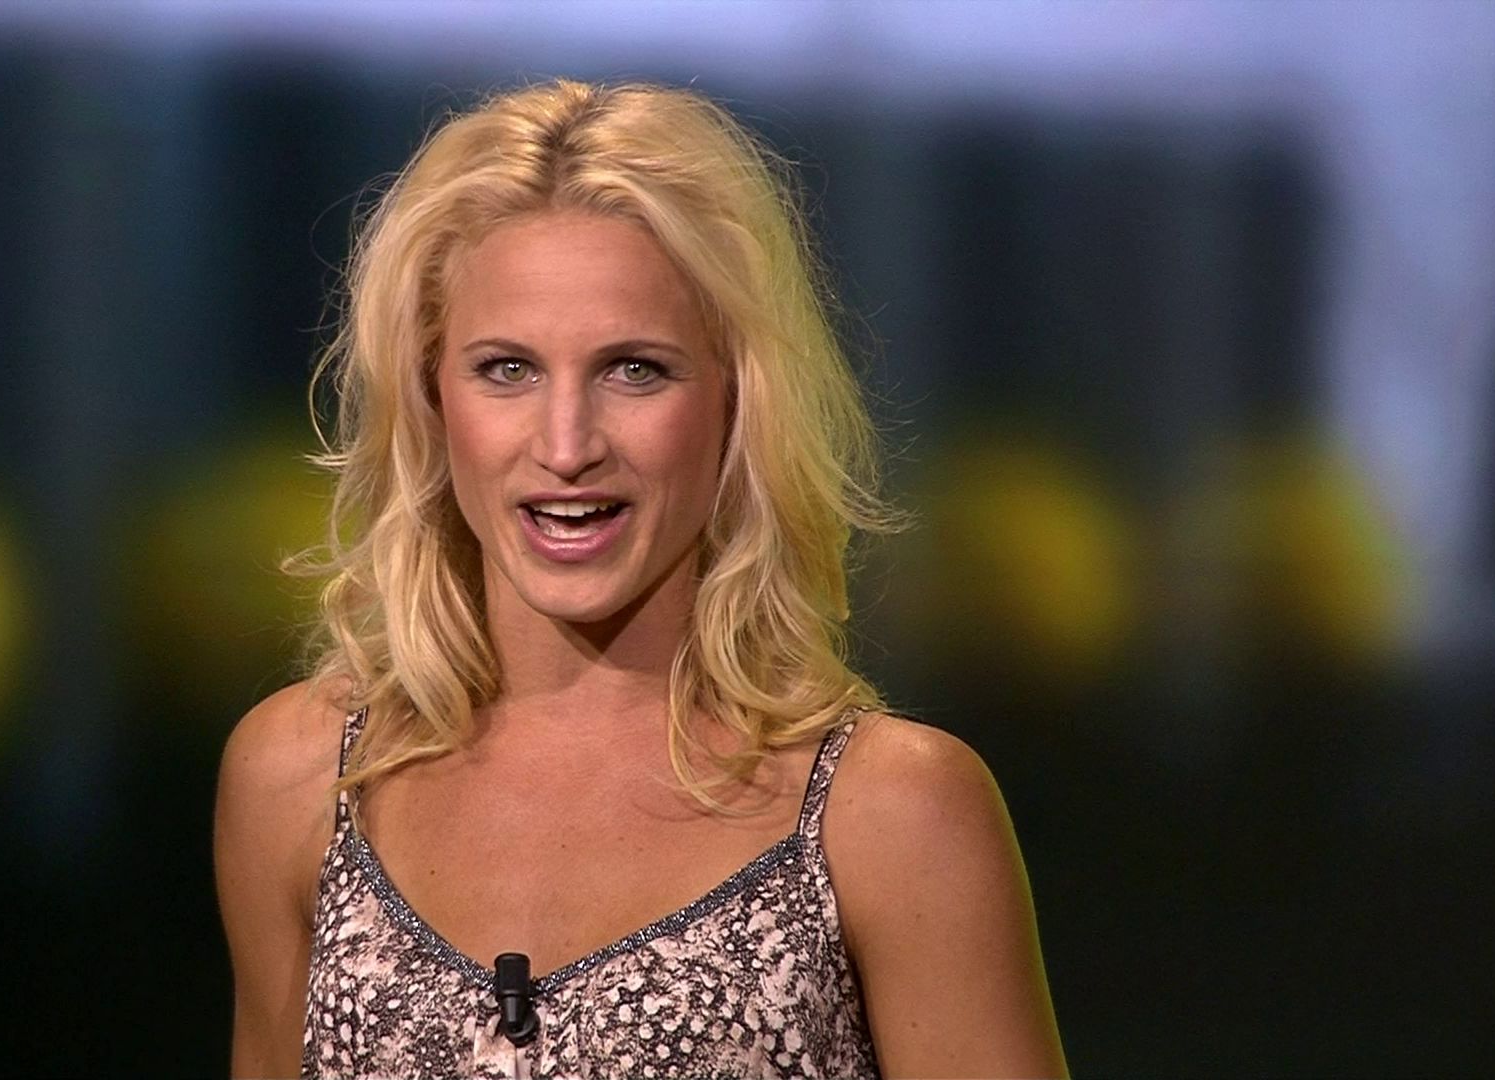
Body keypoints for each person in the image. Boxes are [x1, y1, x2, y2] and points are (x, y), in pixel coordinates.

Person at [215, 78, 1068, 1079]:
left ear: (737, 399)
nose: (566, 445)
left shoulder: (894, 815)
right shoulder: (300, 781)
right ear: (431, 398)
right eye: (507, 369)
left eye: (635, 370)